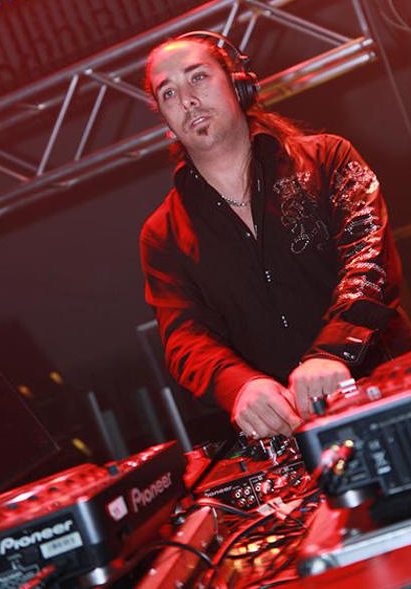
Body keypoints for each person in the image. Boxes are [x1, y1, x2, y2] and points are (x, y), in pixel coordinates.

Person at [140, 31, 411, 440]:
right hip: (290, 432)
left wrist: (333, 352)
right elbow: (185, 337)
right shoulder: (161, 234)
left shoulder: (328, 158)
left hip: (388, 390)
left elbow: (369, 258)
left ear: (238, 85)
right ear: (164, 118)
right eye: (168, 93)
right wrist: (239, 386)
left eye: (198, 77)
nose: (188, 100)